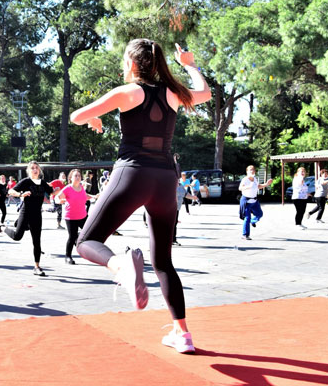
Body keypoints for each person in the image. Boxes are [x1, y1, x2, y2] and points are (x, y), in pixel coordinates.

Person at [70, 40, 211, 354]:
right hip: (165, 180)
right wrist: (189, 64)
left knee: (86, 242)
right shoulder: (174, 94)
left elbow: (77, 116)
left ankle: (120, 266)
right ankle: (183, 334)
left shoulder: (127, 92)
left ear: (133, 64)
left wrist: (94, 119)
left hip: (133, 173)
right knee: (163, 263)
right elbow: (206, 92)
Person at [0, 161, 59, 277]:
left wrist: (58, 189)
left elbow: (51, 192)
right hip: (25, 212)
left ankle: (37, 267)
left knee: (37, 241)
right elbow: (11, 191)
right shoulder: (26, 182)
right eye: (32, 168)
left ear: (39, 170)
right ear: (29, 171)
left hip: (37, 214)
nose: (35, 169)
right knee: (17, 236)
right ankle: (2, 228)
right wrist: (21, 194)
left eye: (36, 167)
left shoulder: (42, 183)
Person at [55, 169, 95, 264]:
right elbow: (57, 197)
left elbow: (85, 196)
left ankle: (81, 245)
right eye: (75, 176)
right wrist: (58, 201)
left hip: (83, 216)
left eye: (79, 176)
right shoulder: (68, 188)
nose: (77, 177)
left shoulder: (81, 187)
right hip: (71, 217)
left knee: (90, 232)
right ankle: (68, 256)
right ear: (71, 178)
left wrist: (94, 196)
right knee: (72, 236)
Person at [238, 165, 272, 240]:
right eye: (250, 170)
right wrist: (248, 187)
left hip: (254, 201)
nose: (252, 171)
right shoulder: (245, 179)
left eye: (253, 170)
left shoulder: (255, 179)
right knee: (247, 217)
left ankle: (252, 221)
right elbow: (240, 188)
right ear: (247, 172)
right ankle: (245, 235)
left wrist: (266, 184)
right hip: (246, 201)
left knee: (260, 214)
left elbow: (258, 186)